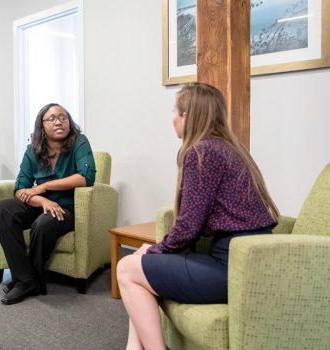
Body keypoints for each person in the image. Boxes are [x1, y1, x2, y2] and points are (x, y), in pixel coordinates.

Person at [117, 83, 279, 349]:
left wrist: (157, 248)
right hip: (246, 264)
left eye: (175, 111)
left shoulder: (201, 152)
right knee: (139, 268)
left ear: (187, 116)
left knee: (126, 267)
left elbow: (189, 225)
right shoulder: (229, 148)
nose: (172, 118)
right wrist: (156, 251)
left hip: (230, 267)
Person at [0, 103, 96, 305]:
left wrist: (45, 186)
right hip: (40, 205)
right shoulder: (32, 150)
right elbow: (20, 188)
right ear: (41, 125)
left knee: (43, 224)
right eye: (52, 118)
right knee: (3, 209)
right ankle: (27, 279)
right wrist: (43, 200)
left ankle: (23, 280)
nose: (59, 121)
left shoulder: (79, 142)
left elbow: (86, 177)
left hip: (66, 209)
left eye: (63, 117)